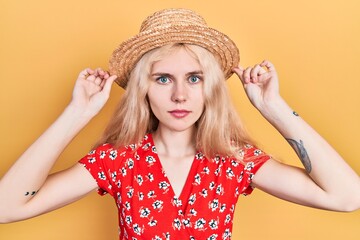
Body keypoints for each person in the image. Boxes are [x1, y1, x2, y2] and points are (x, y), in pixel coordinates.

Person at [0, 8, 359, 240]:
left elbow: (348, 197)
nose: (179, 96)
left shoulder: (234, 160)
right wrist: (76, 114)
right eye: (162, 79)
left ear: (211, 88)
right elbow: (7, 208)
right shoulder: (119, 160)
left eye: (194, 78)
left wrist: (275, 108)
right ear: (144, 89)